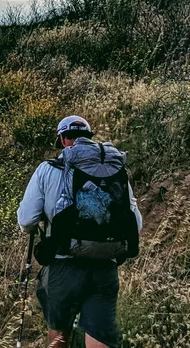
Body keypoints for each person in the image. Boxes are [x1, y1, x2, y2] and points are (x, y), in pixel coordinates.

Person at [17, 115, 143, 348]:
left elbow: (26, 220)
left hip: (63, 265)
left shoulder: (48, 169)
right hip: (105, 267)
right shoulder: (114, 169)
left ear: (63, 139)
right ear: (89, 138)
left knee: (59, 333)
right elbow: (136, 224)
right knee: (100, 335)